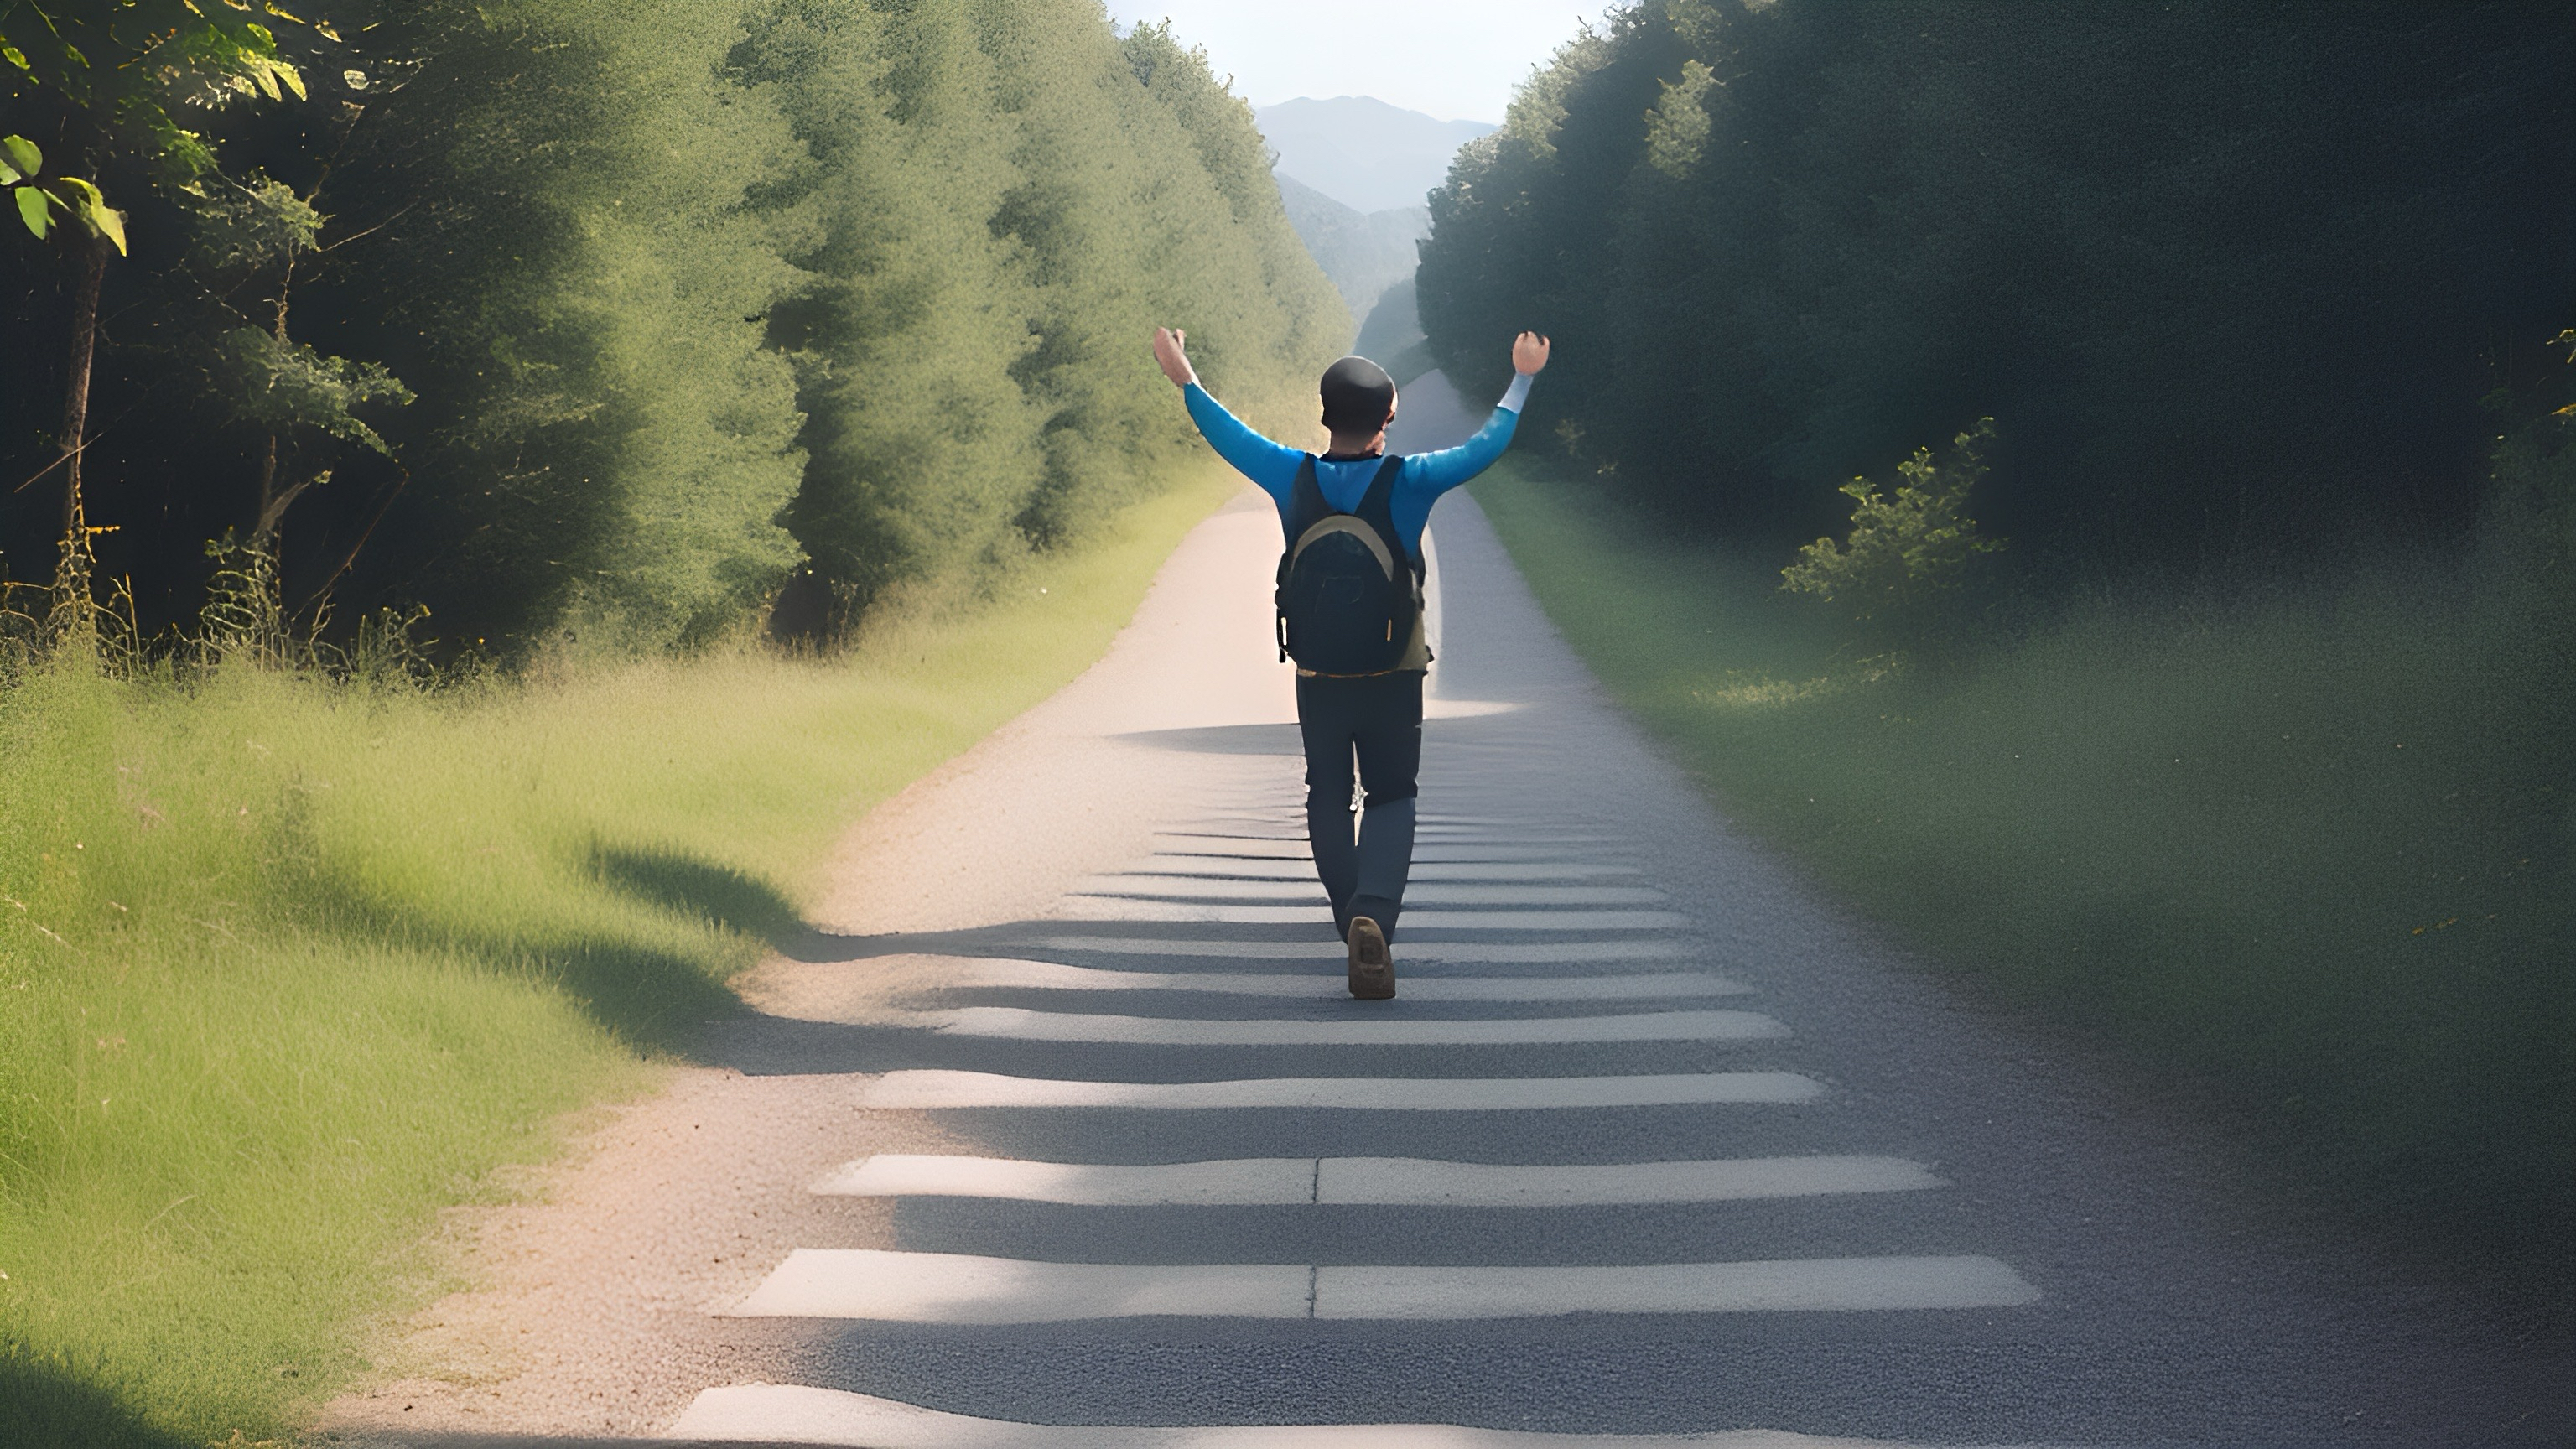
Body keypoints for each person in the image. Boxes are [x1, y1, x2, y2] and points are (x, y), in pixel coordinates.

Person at [1150, 326, 1551, 1000]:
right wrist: (1523, 376)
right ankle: (1375, 911)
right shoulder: (1411, 479)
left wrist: (1184, 376)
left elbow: (1227, 432)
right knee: (1393, 793)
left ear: (1325, 416)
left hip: (1319, 675)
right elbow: (1490, 444)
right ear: (1388, 418)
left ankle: (1350, 918)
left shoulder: (1291, 474)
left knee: (1328, 794)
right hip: (1394, 671)